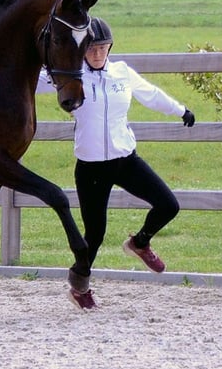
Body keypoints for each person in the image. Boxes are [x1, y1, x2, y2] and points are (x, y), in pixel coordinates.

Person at [64, 17, 196, 310]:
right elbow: (29, 81)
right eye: (91, 49)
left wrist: (180, 110)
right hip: (91, 167)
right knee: (94, 235)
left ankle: (140, 242)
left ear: (110, 47)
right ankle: (79, 285)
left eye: (103, 47)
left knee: (168, 204)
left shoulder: (122, 72)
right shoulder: (71, 75)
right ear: (81, 49)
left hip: (125, 160)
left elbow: (151, 94)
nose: (97, 54)